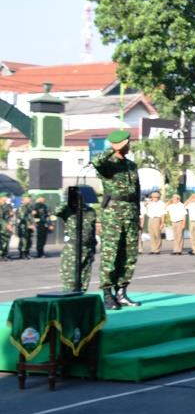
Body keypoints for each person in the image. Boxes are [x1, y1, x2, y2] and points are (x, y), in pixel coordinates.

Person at [92, 129, 142, 310]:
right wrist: (112, 149)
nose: (129, 146)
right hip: (113, 213)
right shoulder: (108, 164)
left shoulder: (131, 166)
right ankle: (107, 294)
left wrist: (138, 216)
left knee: (129, 254)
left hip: (130, 212)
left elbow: (136, 192)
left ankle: (121, 292)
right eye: (127, 143)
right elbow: (95, 161)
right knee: (110, 253)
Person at [56, 189, 97, 292]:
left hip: (87, 248)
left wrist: (93, 250)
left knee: (84, 280)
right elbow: (57, 211)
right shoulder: (68, 210)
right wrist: (69, 199)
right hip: (72, 249)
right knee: (70, 280)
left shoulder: (90, 211)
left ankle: (81, 301)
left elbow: (92, 231)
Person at [0, 194, 13, 260]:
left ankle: (4, 254)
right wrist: (6, 225)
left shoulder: (7, 206)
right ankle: (1, 255)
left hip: (6, 227)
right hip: (2, 226)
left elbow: (10, 216)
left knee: (6, 240)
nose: (7, 198)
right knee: (2, 241)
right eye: (5, 197)